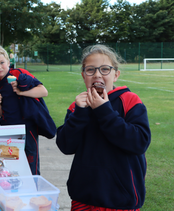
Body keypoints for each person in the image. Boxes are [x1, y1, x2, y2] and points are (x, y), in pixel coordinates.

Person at [56, 45, 151, 211]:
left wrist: (104, 110)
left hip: (120, 200)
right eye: (90, 70)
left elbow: (139, 142)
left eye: (105, 69)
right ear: (83, 75)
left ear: (116, 75)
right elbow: (65, 145)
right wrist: (79, 113)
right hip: (83, 197)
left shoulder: (129, 100)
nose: (98, 74)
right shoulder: (77, 106)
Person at [0, 46, 55, 175]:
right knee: (11, 165)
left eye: (2, 63)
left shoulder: (18, 74)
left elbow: (43, 91)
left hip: (27, 129)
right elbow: (3, 114)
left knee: (31, 165)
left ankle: (33, 191)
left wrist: (21, 92)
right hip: (9, 130)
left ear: (8, 62)